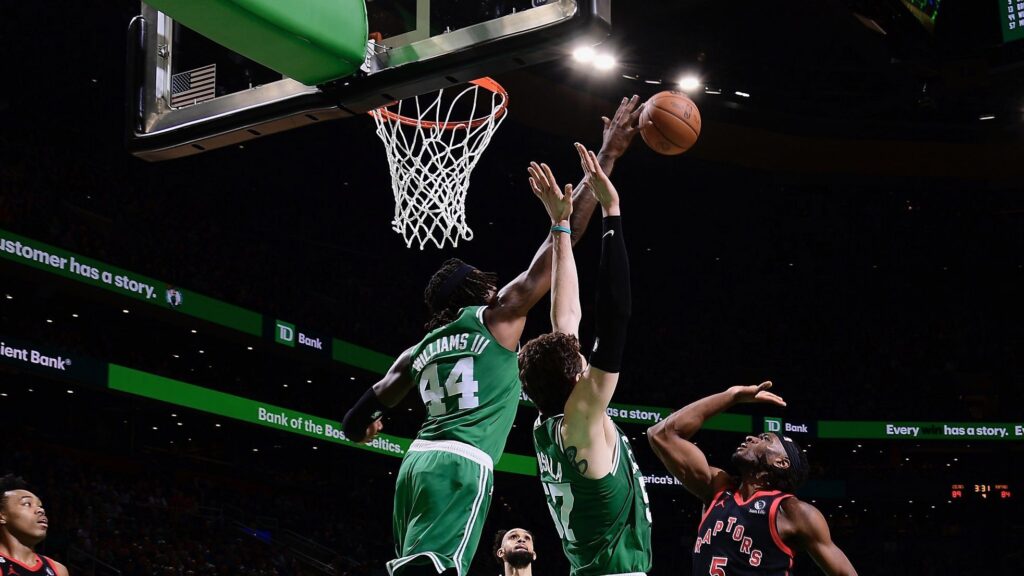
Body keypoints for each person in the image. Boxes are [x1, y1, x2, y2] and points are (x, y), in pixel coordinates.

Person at [340, 96, 648, 576]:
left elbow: (360, 414)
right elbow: (555, 263)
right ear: (478, 289)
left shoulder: (417, 352)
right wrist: (602, 168)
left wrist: (366, 429)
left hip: (415, 462)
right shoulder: (495, 315)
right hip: (462, 462)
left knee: (413, 561)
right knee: (434, 567)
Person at [517, 143, 652, 576]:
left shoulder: (551, 421)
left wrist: (561, 226)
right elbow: (615, 317)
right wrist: (612, 213)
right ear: (575, 376)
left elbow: (565, 314)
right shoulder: (581, 415)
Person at [646, 382, 858, 576]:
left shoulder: (793, 511)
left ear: (781, 463)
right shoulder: (717, 488)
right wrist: (732, 396)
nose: (750, 438)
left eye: (765, 439)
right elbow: (661, 435)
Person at [0, 475, 69, 576]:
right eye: (27, 504)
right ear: (2, 516)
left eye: (40, 506)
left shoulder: (58, 570)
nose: (41, 510)